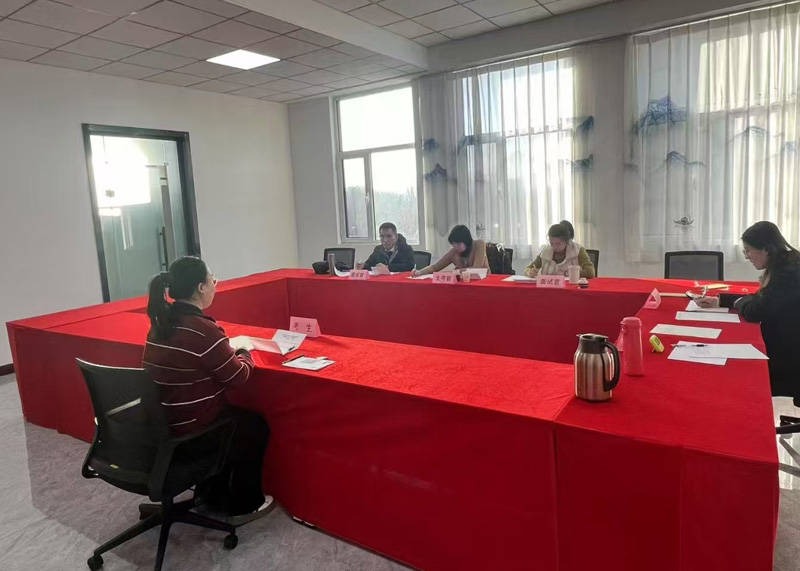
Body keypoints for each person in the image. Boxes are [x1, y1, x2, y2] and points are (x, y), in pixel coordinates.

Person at [142, 256, 273, 523]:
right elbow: (238, 376)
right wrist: (245, 351)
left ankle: (211, 492)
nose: (215, 285)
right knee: (254, 426)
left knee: (231, 418)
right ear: (201, 287)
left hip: (160, 426)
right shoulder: (202, 329)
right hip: (191, 432)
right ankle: (245, 503)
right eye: (213, 280)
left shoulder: (160, 324)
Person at [696, 221, 800, 398]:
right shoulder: (786, 263)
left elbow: (755, 311)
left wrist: (738, 302)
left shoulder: (788, 273)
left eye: (748, 250)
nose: (747, 257)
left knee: (733, 372)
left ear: (765, 249)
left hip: (789, 358)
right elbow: (761, 299)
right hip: (786, 343)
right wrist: (720, 300)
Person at [524, 220, 596, 279]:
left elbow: (590, 272)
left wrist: (569, 273)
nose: (555, 247)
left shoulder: (578, 250)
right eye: (552, 243)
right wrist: (530, 272)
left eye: (558, 244)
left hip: (571, 288)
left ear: (566, 241)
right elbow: (528, 268)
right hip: (549, 288)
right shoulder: (546, 252)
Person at [411, 224, 489, 276]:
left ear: (466, 242)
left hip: (484, 281)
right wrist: (420, 272)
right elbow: (435, 267)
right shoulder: (453, 252)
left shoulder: (479, 245)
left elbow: (476, 269)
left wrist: (456, 272)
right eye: (453, 244)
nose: (456, 247)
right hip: (464, 283)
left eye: (458, 244)